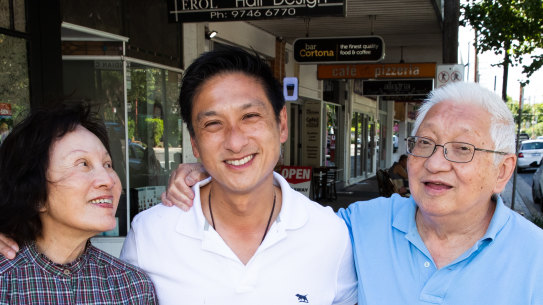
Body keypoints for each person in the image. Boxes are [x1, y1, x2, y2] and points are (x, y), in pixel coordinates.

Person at [160, 81, 543, 304]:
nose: (435, 163)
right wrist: (216, 173)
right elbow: (280, 219)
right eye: (424, 143)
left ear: (503, 171)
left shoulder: (535, 261)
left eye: (463, 149)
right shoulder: (361, 225)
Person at [122, 46, 357, 304]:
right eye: (213, 124)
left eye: (250, 116)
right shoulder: (149, 235)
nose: (235, 142)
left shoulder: (328, 234)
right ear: (195, 144)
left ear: (282, 124)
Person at [0, 103, 158, 304]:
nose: (109, 180)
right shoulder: (5, 283)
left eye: (107, 164)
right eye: (83, 164)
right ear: (35, 195)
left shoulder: (132, 287)